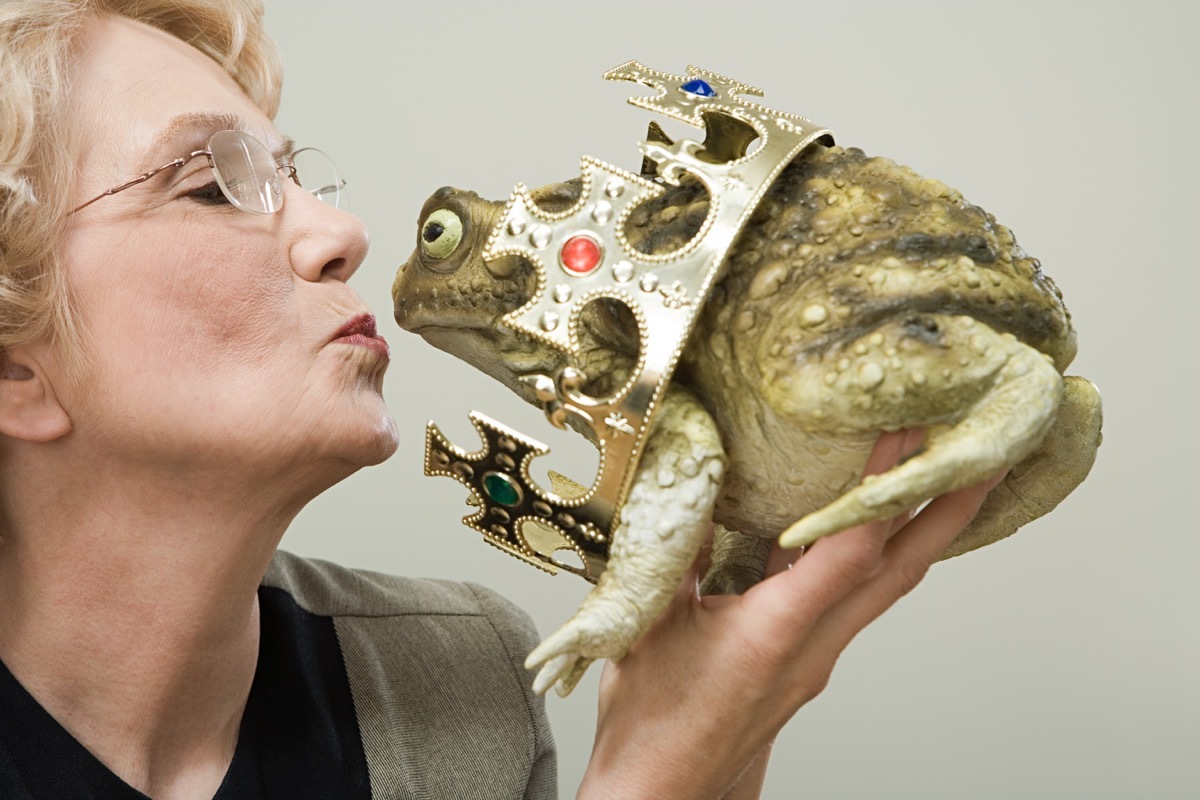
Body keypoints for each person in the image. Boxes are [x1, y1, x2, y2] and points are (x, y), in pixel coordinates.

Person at [0, 1, 1004, 797]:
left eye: (295, 173)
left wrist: (714, 751)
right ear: (14, 370)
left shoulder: (465, 679)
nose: (339, 232)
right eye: (212, 183)